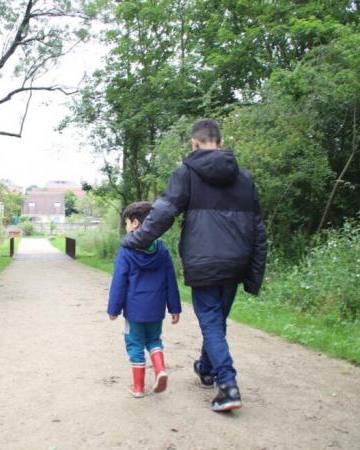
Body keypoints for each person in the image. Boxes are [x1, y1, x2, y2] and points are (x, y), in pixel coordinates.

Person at [121, 119, 267, 412]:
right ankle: (207, 369)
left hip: (203, 261)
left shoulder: (187, 173)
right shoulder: (246, 179)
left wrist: (134, 240)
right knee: (216, 321)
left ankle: (227, 384)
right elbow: (259, 230)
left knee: (212, 322)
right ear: (221, 144)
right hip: (235, 262)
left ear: (194, 144)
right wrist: (253, 274)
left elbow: (162, 212)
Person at [108, 201, 182, 398]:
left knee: (134, 344)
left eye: (126, 223)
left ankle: (138, 387)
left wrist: (113, 309)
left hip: (134, 312)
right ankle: (160, 370)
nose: (126, 227)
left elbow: (119, 282)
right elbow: (170, 279)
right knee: (154, 340)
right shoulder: (162, 249)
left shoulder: (126, 250)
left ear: (134, 223)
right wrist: (175, 308)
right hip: (156, 310)